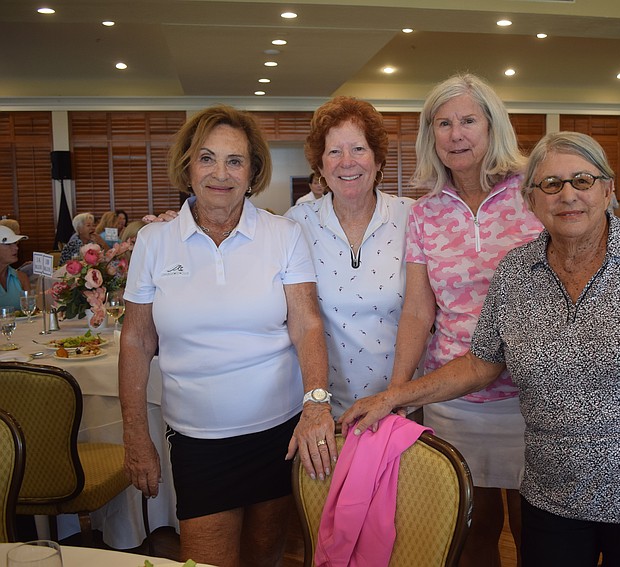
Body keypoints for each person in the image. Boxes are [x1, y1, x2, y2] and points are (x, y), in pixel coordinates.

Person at [342, 131, 620, 567]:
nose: (568, 195)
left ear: (608, 189)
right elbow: (480, 364)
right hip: (553, 497)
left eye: (582, 180)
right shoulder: (515, 271)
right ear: (530, 201)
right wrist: (395, 395)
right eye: (550, 184)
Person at [119, 105, 333, 567]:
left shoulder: (284, 235)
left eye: (235, 161)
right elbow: (136, 341)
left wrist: (316, 402)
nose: (221, 173)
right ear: (187, 166)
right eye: (207, 158)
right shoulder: (155, 243)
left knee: (266, 555)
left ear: (253, 171)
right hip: (198, 441)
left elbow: (306, 322)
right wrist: (136, 433)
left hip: (277, 435)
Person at [388, 73, 544, 566]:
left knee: (536, 532)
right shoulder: (424, 212)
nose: (456, 134)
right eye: (443, 123)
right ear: (430, 135)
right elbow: (418, 309)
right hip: (454, 401)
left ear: (492, 125)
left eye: (468, 121)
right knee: (471, 535)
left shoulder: (535, 193)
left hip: (534, 399)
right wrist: (397, 394)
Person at [284, 96, 414, 418]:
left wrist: (399, 400)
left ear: (377, 160)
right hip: (325, 412)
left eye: (358, 149)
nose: (347, 161)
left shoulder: (411, 217)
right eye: (334, 151)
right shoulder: (297, 224)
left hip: (401, 407)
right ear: (320, 167)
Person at [0, 225, 30, 309]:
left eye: (15, 243)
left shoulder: (22, 277)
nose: (16, 248)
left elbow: (30, 312)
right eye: (8, 244)